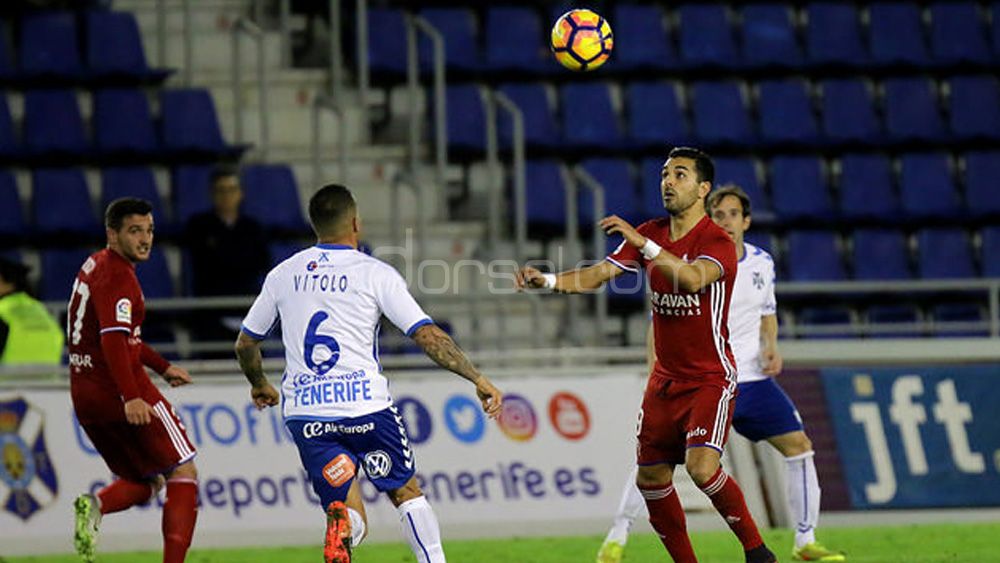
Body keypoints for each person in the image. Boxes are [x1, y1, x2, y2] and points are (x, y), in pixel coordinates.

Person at [517, 147, 776, 563]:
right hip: (665, 381)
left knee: (702, 469)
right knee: (651, 478)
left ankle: (758, 552)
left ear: (703, 188)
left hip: (710, 377)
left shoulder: (716, 240)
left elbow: (692, 279)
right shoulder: (651, 231)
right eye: (664, 174)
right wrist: (547, 280)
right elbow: (599, 275)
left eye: (680, 174)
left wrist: (645, 245)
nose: (668, 182)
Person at [235, 183, 504, 563]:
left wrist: (259, 384)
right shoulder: (376, 273)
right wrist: (476, 378)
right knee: (406, 493)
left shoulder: (282, 274)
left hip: (308, 414)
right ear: (355, 222)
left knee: (346, 511)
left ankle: (344, 527)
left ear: (315, 225)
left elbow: (245, 343)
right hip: (365, 407)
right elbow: (427, 335)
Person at [596, 185, 847, 562]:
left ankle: (805, 540)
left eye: (732, 213)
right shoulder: (693, 260)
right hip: (701, 380)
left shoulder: (762, 262)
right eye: (718, 214)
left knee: (799, 448)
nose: (725, 220)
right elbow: (659, 321)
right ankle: (618, 536)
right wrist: (656, 372)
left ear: (746, 221)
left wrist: (771, 344)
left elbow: (767, 310)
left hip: (752, 380)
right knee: (654, 462)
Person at [68, 198, 199, 563]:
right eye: (134, 231)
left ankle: (95, 505)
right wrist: (131, 396)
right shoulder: (118, 275)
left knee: (147, 482)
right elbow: (113, 340)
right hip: (120, 389)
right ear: (113, 234)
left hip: (86, 396)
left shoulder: (96, 265)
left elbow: (124, 336)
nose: (145, 239)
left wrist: (163, 366)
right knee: (183, 469)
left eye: (150, 230)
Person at [182, 166, 270, 355]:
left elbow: (261, 264)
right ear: (212, 194)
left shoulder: (253, 228)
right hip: (212, 313)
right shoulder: (198, 226)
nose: (226, 196)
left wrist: (224, 254)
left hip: (246, 310)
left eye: (231, 190)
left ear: (240, 194)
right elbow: (206, 267)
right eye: (220, 191)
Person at [0, 256, 63, 365]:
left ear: (5, 282)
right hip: (49, 381)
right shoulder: (41, 310)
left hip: (8, 381)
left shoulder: (2, 311)